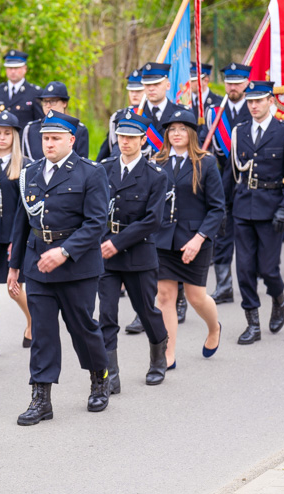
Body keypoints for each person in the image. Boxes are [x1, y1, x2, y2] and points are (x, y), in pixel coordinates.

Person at [8, 110, 112, 420]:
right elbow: (22, 219)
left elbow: (96, 223)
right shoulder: (30, 172)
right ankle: (41, 398)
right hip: (38, 262)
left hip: (76, 266)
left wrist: (65, 252)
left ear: (71, 139)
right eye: (44, 138)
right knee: (42, 331)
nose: (48, 143)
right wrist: (14, 265)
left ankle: (99, 379)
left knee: (82, 326)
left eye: (55, 138)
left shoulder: (91, 173)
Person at [223, 80, 284, 344]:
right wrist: (222, 207)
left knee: (268, 269)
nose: (254, 106)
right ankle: (253, 324)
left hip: (272, 209)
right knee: (245, 269)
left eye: (259, 100)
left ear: (271, 100)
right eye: (250, 101)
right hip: (243, 207)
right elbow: (231, 172)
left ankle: (279, 298)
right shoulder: (240, 132)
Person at [97, 111, 169, 390]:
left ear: (142, 140)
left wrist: (117, 242)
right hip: (106, 256)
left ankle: (158, 357)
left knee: (145, 311)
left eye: (131, 137)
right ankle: (110, 375)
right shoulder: (104, 169)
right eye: (121, 136)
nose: (124, 141)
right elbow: (94, 210)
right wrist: (103, 242)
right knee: (107, 314)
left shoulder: (155, 176)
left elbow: (152, 220)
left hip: (138, 255)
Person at [152, 110, 225, 367]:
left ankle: (214, 327)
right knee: (165, 296)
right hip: (163, 240)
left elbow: (217, 208)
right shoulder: (156, 161)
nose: (177, 134)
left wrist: (199, 239)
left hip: (196, 239)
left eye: (182, 129)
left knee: (195, 297)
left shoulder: (205, 163)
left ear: (192, 133)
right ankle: (168, 354)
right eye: (172, 129)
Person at [123, 62, 190, 333]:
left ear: (167, 84)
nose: (149, 89)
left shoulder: (180, 113)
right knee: (146, 247)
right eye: (146, 85)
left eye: (155, 84)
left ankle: (179, 294)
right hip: (140, 188)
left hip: (175, 188)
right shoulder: (134, 113)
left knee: (174, 244)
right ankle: (144, 308)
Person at [0, 111, 33, 352]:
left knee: (15, 289)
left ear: (14, 136)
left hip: (14, 235)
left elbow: (26, 208)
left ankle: (32, 320)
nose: (2, 138)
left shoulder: (24, 166)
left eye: (7, 134)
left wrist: (18, 239)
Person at [209, 63, 253, 304]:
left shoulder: (254, 108)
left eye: (237, 82)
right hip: (222, 182)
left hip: (247, 182)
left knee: (247, 237)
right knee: (222, 234)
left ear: (247, 83)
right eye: (229, 82)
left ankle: (252, 282)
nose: (232, 86)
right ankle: (224, 285)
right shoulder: (215, 112)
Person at [0, 49, 43, 144]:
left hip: (24, 147)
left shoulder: (35, 92)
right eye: (9, 68)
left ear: (25, 69)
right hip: (1, 147)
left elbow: (39, 125)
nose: (13, 71)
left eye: (16, 68)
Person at [21, 81, 90, 159]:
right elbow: (26, 162)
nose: (48, 105)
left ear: (65, 103)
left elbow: (82, 166)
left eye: (53, 101)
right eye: (45, 101)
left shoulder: (78, 130)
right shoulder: (31, 129)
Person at [97, 69, 146, 162]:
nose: (134, 95)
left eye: (139, 91)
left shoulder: (152, 115)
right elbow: (112, 145)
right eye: (131, 91)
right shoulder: (118, 116)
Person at [190, 62, 223, 145]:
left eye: (193, 80)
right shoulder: (184, 101)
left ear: (206, 80)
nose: (189, 83)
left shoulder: (219, 102)